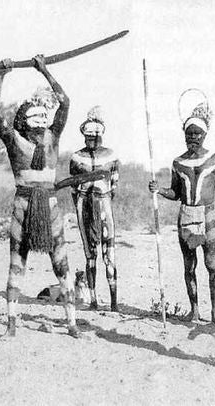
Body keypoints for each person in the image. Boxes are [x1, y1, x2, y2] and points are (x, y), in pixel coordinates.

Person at [0, 55, 80, 338]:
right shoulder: (14, 140)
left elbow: (64, 102)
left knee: (61, 262)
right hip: (23, 206)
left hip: (49, 207)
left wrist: (45, 71)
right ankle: (12, 322)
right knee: (17, 262)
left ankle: (72, 322)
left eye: (44, 117)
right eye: (35, 118)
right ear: (24, 122)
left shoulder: (53, 137)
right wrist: (1, 75)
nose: (41, 123)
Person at [149, 102, 215, 325]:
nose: (193, 137)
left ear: (205, 134)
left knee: (212, 265)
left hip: (208, 217)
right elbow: (176, 193)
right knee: (189, 266)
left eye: (197, 133)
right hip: (186, 217)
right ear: (184, 135)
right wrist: (158, 190)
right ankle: (194, 310)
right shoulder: (178, 163)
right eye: (189, 134)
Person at [69, 107, 119, 311]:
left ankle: (114, 302)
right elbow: (73, 187)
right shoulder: (76, 158)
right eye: (88, 137)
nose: (92, 141)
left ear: (101, 135)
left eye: (95, 137)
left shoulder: (111, 156)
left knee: (110, 253)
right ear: (83, 135)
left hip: (104, 202)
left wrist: (102, 201)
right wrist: (83, 207)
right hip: (84, 204)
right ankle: (93, 300)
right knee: (90, 254)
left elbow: (114, 185)